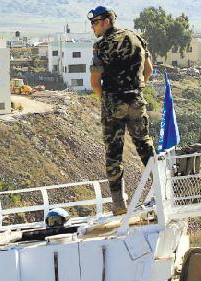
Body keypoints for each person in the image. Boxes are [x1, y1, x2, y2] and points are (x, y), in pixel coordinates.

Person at [88, 6, 155, 215]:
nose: (93, 27)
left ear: (107, 21)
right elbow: (149, 70)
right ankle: (162, 189)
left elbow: (95, 82)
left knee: (114, 154)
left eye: (95, 22)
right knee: (144, 145)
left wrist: (107, 100)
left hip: (113, 104)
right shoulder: (136, 38)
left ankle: (119, 205)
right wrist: (136, 88)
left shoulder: (101, 46)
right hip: (136, 100)